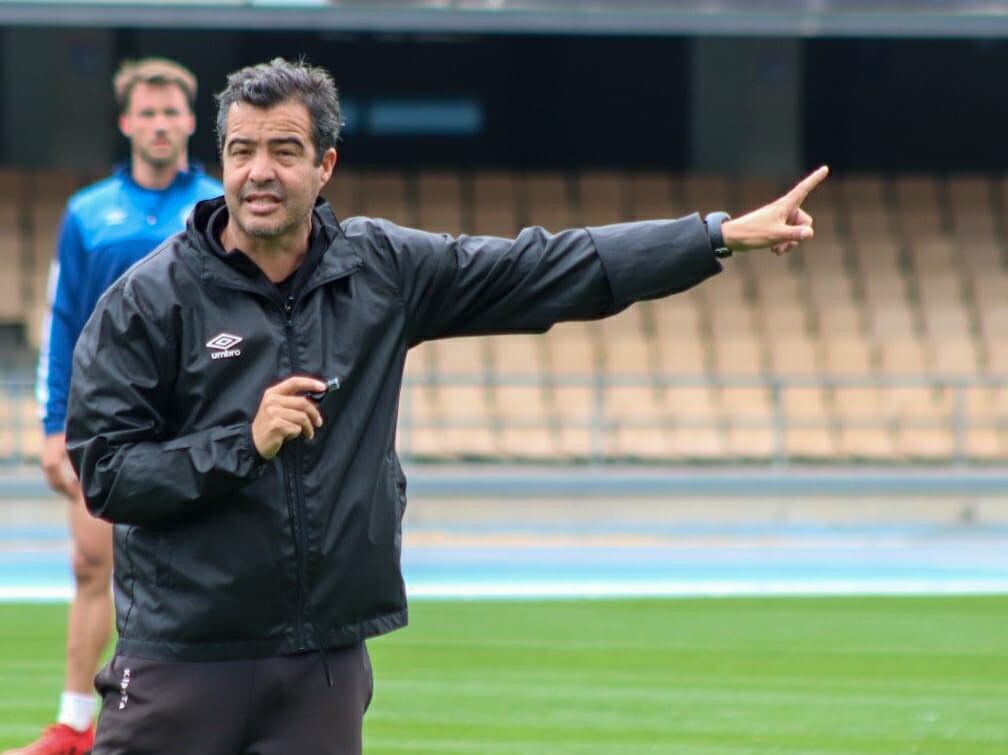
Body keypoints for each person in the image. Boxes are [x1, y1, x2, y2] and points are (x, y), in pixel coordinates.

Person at [65, 58, 828, 755]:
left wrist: (713, 237)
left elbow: (545, 266)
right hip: (183, 659)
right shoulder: (148, 299)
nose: (260, 172)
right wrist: (243, 442)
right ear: (222, 159)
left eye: (285, 151)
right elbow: (108, 475)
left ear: (325, 165)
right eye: (242, 150)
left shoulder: (382, 269)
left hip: (321, 664)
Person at [6, 57, 222, 755]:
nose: (160, 124)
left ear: (191, 121)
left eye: (172, 113)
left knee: (200, 574)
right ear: (127, 122)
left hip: (195, 415)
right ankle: (73, 724)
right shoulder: (88, 212)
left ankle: (203, 715)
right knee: (91, 564)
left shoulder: (217, 204)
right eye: (147, 113)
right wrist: (51, 425)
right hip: (108, 416)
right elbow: (62, 319)